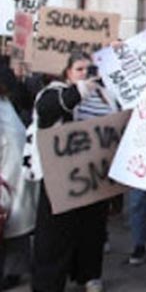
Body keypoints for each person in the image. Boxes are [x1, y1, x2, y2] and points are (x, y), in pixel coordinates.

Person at [30, 52, 119, 292]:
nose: (84, 74)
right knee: (55, 235)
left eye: (88, 69)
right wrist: (79, 90)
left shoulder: (104, 95)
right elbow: (48, 111)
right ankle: (48, 283)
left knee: (92, 230)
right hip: (60, 177)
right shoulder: (54, 92)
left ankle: (89, 274)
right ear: (67, 72)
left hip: (93, 176)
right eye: (79, 69)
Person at [0, 76, 37, 289]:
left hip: (11, 173)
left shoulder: (5, 104)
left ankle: (13, 271)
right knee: (15, 226)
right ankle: (15, 269)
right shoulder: (6, 103)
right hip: (11, 172)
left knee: (13, 225)